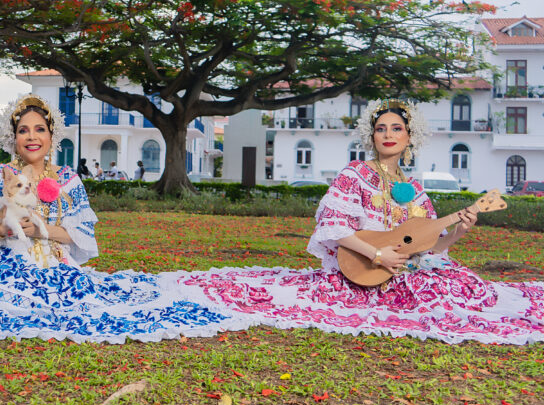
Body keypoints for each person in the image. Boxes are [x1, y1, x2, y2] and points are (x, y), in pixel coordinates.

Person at [176, 99, 544, 344]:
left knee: (464, 288)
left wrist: (460, 230)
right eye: (381, 128)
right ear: (372, 136)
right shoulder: (354, 174)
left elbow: (430, 246)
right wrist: (378, 255)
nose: (388, 135)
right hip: (361, 267)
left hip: (405, 269)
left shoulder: (414, 189)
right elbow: (333, 228)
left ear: (409, 137)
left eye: (396, 128)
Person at [0, 93, 231, 341]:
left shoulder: (68, 180)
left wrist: (43, 232)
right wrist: (0, 229)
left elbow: (80, 234)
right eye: (23, 130)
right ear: (12, 137)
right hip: (4, 260)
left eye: (40, 129)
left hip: (54, 261)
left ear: (51, 136)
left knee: (81, 301)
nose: (32, 137)